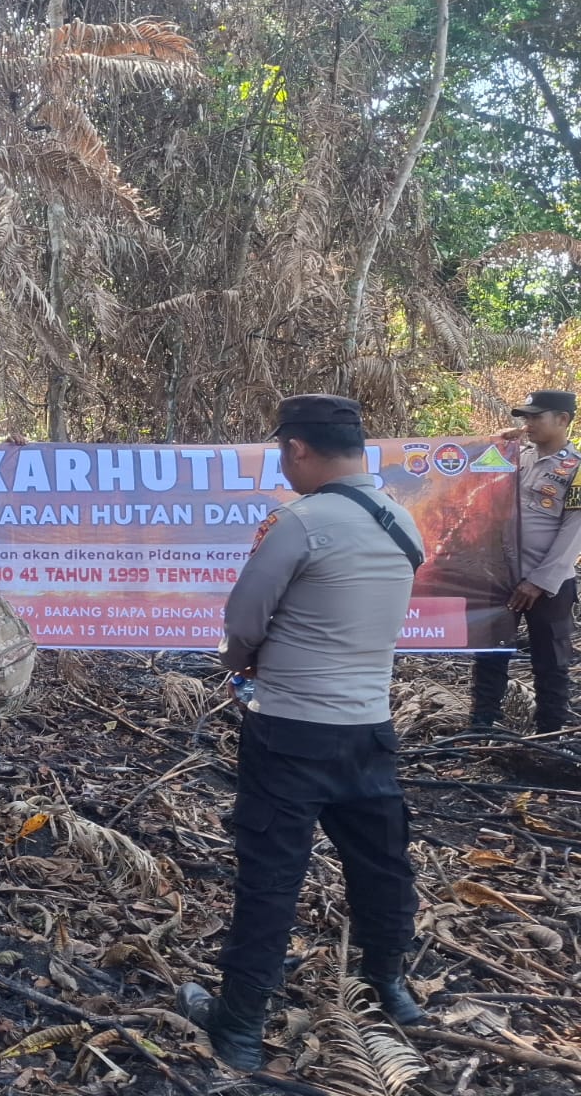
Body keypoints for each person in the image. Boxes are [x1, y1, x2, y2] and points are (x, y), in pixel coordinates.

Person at [177, 394, 426, 1071]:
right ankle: (391, 984)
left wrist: (238, 664)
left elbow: (244, 616)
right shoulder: (403, 522)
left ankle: (238, 1026)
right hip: (370, 728)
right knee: (381, 865)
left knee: (271, 877)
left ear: (296, 448)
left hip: (290, 731)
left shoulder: (298, 522)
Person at [472, 390, 581, 734]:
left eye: (536, 417)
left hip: (549, 583)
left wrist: (539, 581)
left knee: (551, 659)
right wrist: (493, 443)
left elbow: (573, 532)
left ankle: (550, 731)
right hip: (502, 576)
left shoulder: (576, 468)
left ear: (562, 420)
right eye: (525, 418)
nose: (527, 424)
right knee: (490, 653)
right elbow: (467, 472)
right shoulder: (516, 458)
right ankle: (482, 724)